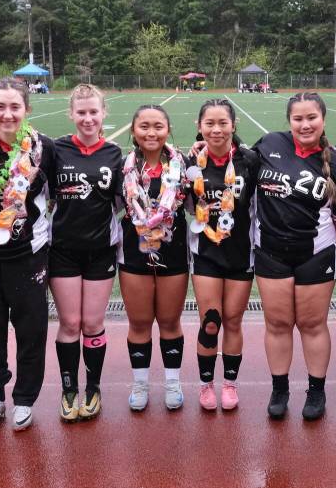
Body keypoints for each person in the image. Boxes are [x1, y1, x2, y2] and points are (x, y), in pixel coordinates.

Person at [0, 78, 56, 434]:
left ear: (26, 110)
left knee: (31, 330)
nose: (7, 113)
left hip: (28, 256)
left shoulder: (43, 148)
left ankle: (25, 399)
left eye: (15, 106)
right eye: (0, 106)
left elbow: (59, 196)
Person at [253, 92, 336, 420]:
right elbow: (235, 168)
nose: (305, 124)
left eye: (312, 118)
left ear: (323, 120)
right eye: (298, 118)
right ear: (289, 120)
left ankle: (316, 390)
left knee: (311, 324)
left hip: (315, 252)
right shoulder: (268, 144)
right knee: (278, 323)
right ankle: (280, 389)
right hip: (271, 252)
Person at [49, 84, 122, 422]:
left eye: (94, 112)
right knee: (70, 322)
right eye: (82, 112)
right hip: (62, 250)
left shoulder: (116, 154)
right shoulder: (56, 149)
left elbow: (128, 199)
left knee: (92, 323)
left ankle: (93, 388)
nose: (88, 118)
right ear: (71, 115)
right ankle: (68, 390)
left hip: (100, 250)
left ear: (104, 113)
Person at [187, 99, 258, 410]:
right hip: (205, 253)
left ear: (233, 125)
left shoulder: (251, 161)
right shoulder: (189, 162)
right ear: (199, 126)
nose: (216, 129)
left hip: (241, 252)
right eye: (210, 123)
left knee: (233, 320)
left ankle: (229, 383)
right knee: (211, 321)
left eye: (223, 123)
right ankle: (206, 386)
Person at [119, 105, 190, 411]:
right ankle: (140, 383)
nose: (151, 132)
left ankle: (173, 382)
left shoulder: (185, 165)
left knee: (170, 320)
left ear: (168, 129)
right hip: (135, 251)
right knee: (139, 322)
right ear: (134, 131)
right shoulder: (123, 166)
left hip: (173, 251)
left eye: (158, 126)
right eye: (144, 126)